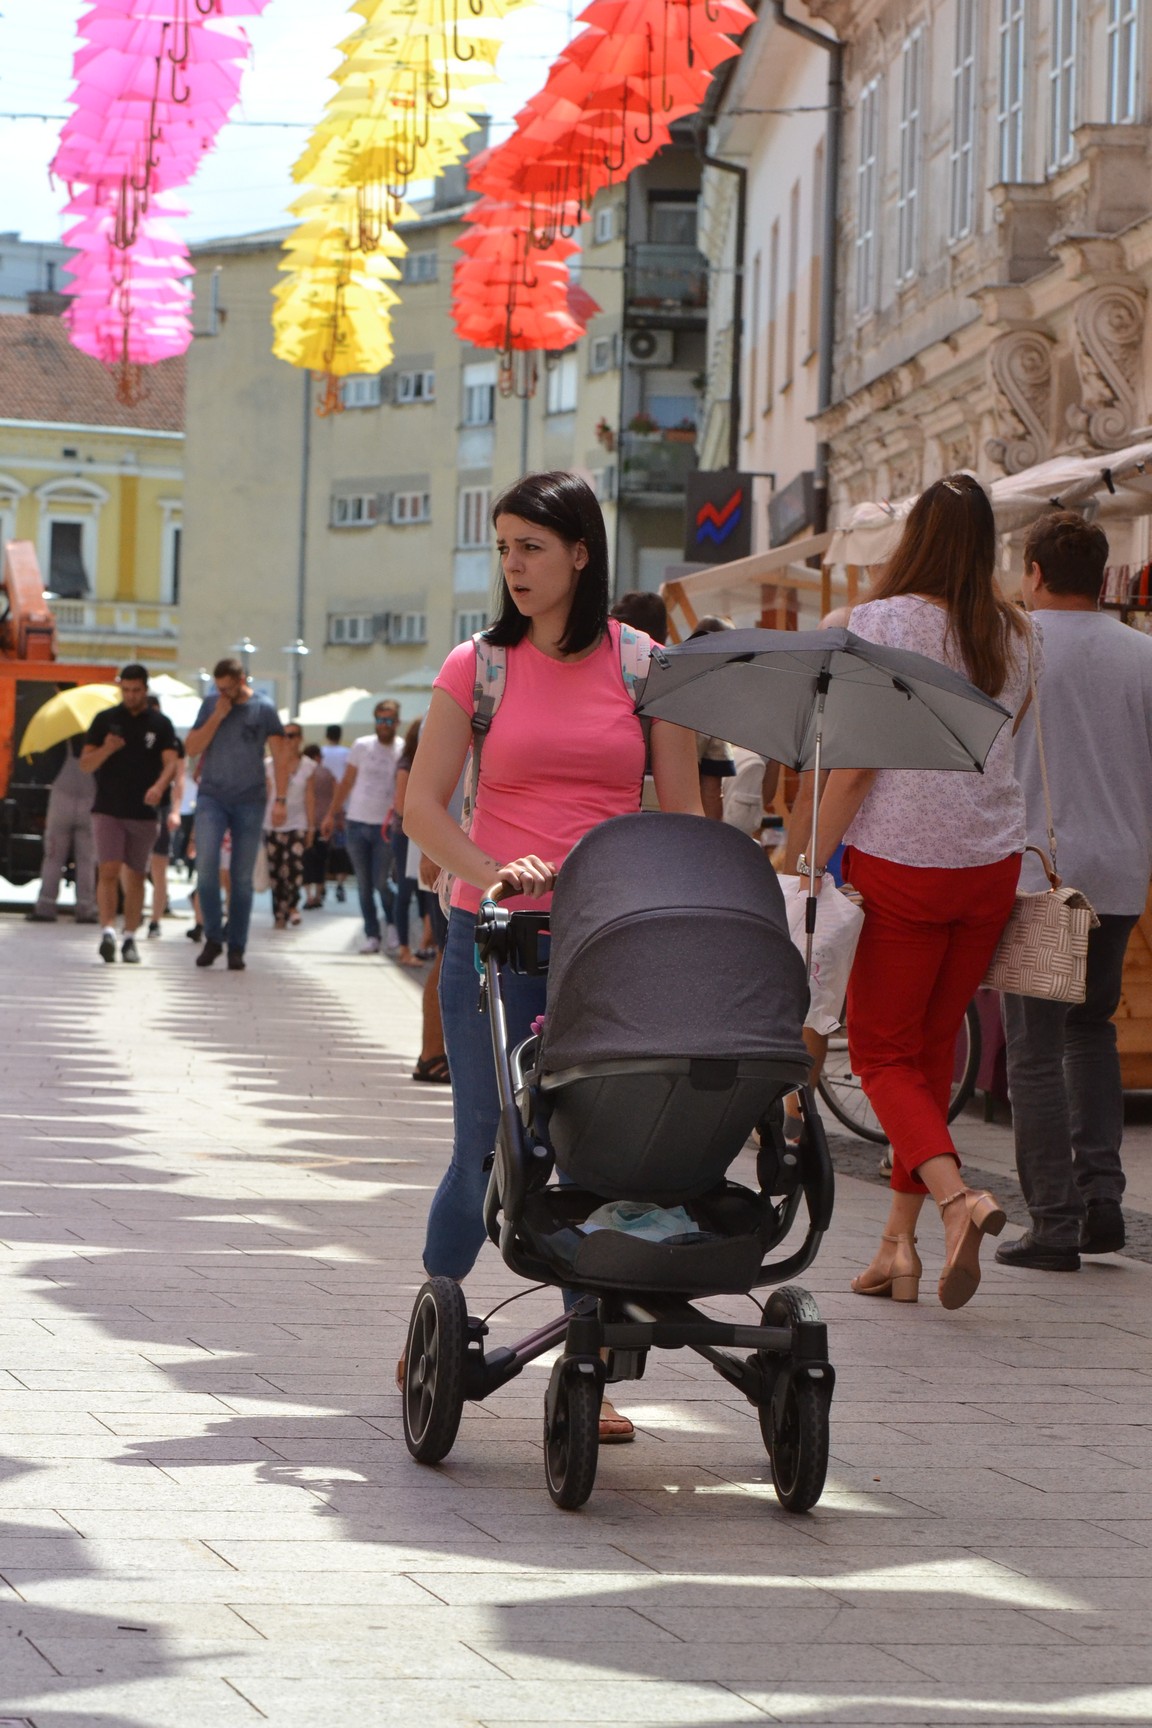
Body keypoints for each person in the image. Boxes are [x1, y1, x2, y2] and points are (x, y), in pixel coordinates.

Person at [403, 470, 702, 1440]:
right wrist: (493, 873)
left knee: (596, 1153)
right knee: (489, 1142)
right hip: (492, 937)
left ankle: (590, 1368)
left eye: (532, 547)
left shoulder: (648, 667)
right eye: (503, 548)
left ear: (582, 553)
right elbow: (422, 809)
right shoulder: (475, 666)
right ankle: (435, 1323)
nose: (514, 567)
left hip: (608, 942)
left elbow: (685, 812)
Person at [787, 473, 1032, 1310]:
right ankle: (898, 1248)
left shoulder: (877, 625)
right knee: (927, 1054)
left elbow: (854, 769)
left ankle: (960, 1202)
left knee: (885, 1054)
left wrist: (805, 861)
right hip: (991, 866)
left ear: (915, 538)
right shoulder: (1014, 632)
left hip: (902, 864)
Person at [997, 511, 1152, 1272]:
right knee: (1092, 1031)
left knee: (1033, 1050)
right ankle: (1102, 1203)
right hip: (1120, 872)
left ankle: (1052, 1223)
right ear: (1102, 576)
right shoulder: (1143, 654)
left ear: (1033, 573)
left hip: (1039, 875)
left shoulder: (1012, 648)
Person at [185, 656, 287, 972]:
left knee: (241, 880)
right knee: (206, 868)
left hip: (249, 800)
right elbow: (191, 748)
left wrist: (281, 798)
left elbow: (281, 754)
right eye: (219, 688)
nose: (223, 693)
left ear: (242, 680)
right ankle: (213, 936)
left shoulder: (264, 708)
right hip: (212, 797)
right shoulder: (211, 704)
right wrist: (217, 716)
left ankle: (237, 947)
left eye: (228, 688)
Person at [79, 662, 178, 965]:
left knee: (136, 875)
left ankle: (130, 938)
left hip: (144, 812)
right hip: (108, 808)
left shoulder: (161, 724)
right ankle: (107, 931)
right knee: (108, 869)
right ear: (120, 688)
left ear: (145, 690)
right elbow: (85, 764)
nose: (131, 696)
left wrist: (160, 787)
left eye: (136, 691)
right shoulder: (105, 720)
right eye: (126, 690)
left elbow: (172, 763)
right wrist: (107, 749)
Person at [322, 699, 403, 954]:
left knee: (382, 881)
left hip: (385, 826)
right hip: (356, 822)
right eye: (380, 720)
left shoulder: (403, 749)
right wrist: (330, 815)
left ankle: (392, 924)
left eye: (388, 720)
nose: (383, 725)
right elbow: (346, 782)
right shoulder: (361, 746)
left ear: (396, 722)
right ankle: (372, 934)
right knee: (364, 884)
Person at [28, 738, 98, 924]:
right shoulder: (97, 743)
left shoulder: (60, 743)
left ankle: (45, 907)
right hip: (90, 804)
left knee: (53, 856)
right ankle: (86, 909)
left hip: (60, 805)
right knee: (86, 860)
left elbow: (45, 770)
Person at [265, 721, 316, 929]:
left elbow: (310, 797)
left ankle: (292, 906)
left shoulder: (308, 765)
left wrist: (312, 827)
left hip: (297, 822)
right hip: (272, 823)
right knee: (275, 871)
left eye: (293, 735)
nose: (288, 739)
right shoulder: (268, 764)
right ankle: (279, 913)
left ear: (300, 738)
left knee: (294, 867)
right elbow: (266, 794)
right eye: (285, 735)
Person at [145, 694, 184, 937]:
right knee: (130, 868)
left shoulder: (172, 740)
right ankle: (135, 912)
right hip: (134, 806)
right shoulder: (131, 734)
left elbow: (179, 778)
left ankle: (155, 921)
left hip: (161, 807)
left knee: (159, 867)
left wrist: (177, 811)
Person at [390, 719, 428, 968]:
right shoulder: (406, 765)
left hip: (419, 835)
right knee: (405, 892)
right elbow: (400, 807)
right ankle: (404, 947)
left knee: (424, 893)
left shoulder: (423, 765)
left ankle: (423, 944)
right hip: (407, 836)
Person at [301, 744, 336, 908]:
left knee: (306, 861)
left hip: (306, 822)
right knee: (321, 861)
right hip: (324, 823)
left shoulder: (304, 772)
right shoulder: (327, 773)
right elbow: (336, 794)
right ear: (316, 756)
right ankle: (318, 894)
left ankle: (308, 896)